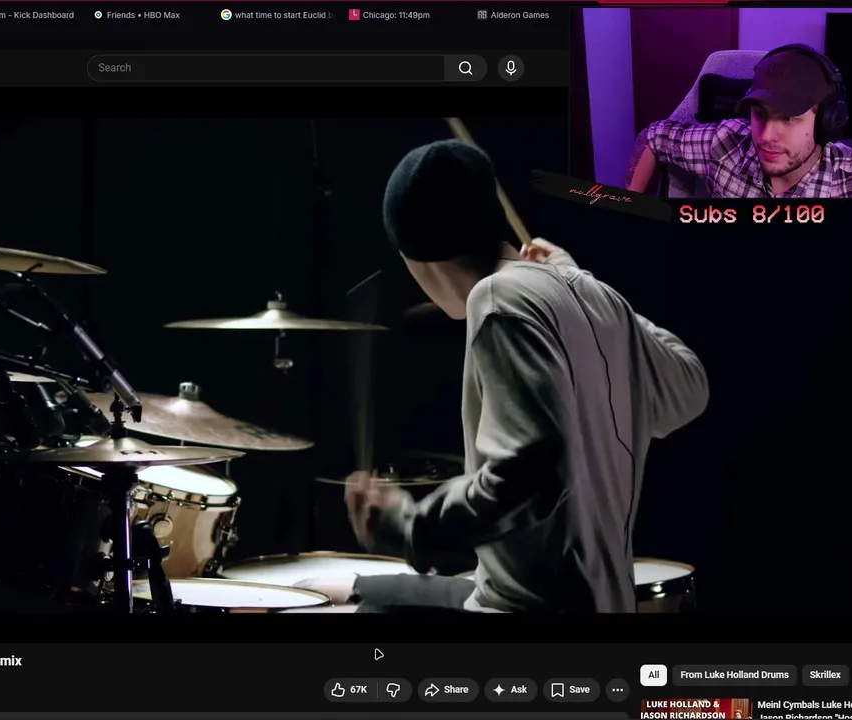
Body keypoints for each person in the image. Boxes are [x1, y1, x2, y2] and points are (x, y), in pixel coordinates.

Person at [298, 140, 709, 612]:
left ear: (417, 259)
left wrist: (411, 524)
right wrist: (582, 285)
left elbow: (530, 474)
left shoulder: (497, 297)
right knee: (366, 590)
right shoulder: (592, 295)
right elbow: (691, 386)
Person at [626, 44, 852, 198]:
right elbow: (655, 136)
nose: (765, 136)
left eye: (789, 118)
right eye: (761, 114)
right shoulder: (726, 144)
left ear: (826, 122)